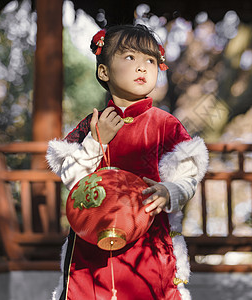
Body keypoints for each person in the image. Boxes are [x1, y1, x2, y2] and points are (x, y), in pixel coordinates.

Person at [46, 24, 208, 300]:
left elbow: (188, 175)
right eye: (130, 58)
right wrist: (98, 141)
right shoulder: (91, 126)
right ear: (104, 71)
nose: (143, 67)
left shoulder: (165, 124)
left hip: (147, 245)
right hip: (91, 250)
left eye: (150, 60)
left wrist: (171, 191)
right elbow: (72, 180)